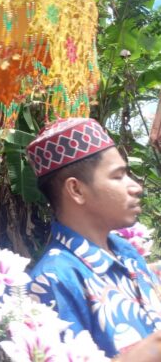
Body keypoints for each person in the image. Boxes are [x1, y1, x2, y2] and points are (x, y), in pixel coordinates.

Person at [26, 118, 161, 360]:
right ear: (76, 190)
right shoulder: (53, 281)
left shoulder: (125, 252)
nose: (136, 187)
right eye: (118, 176)